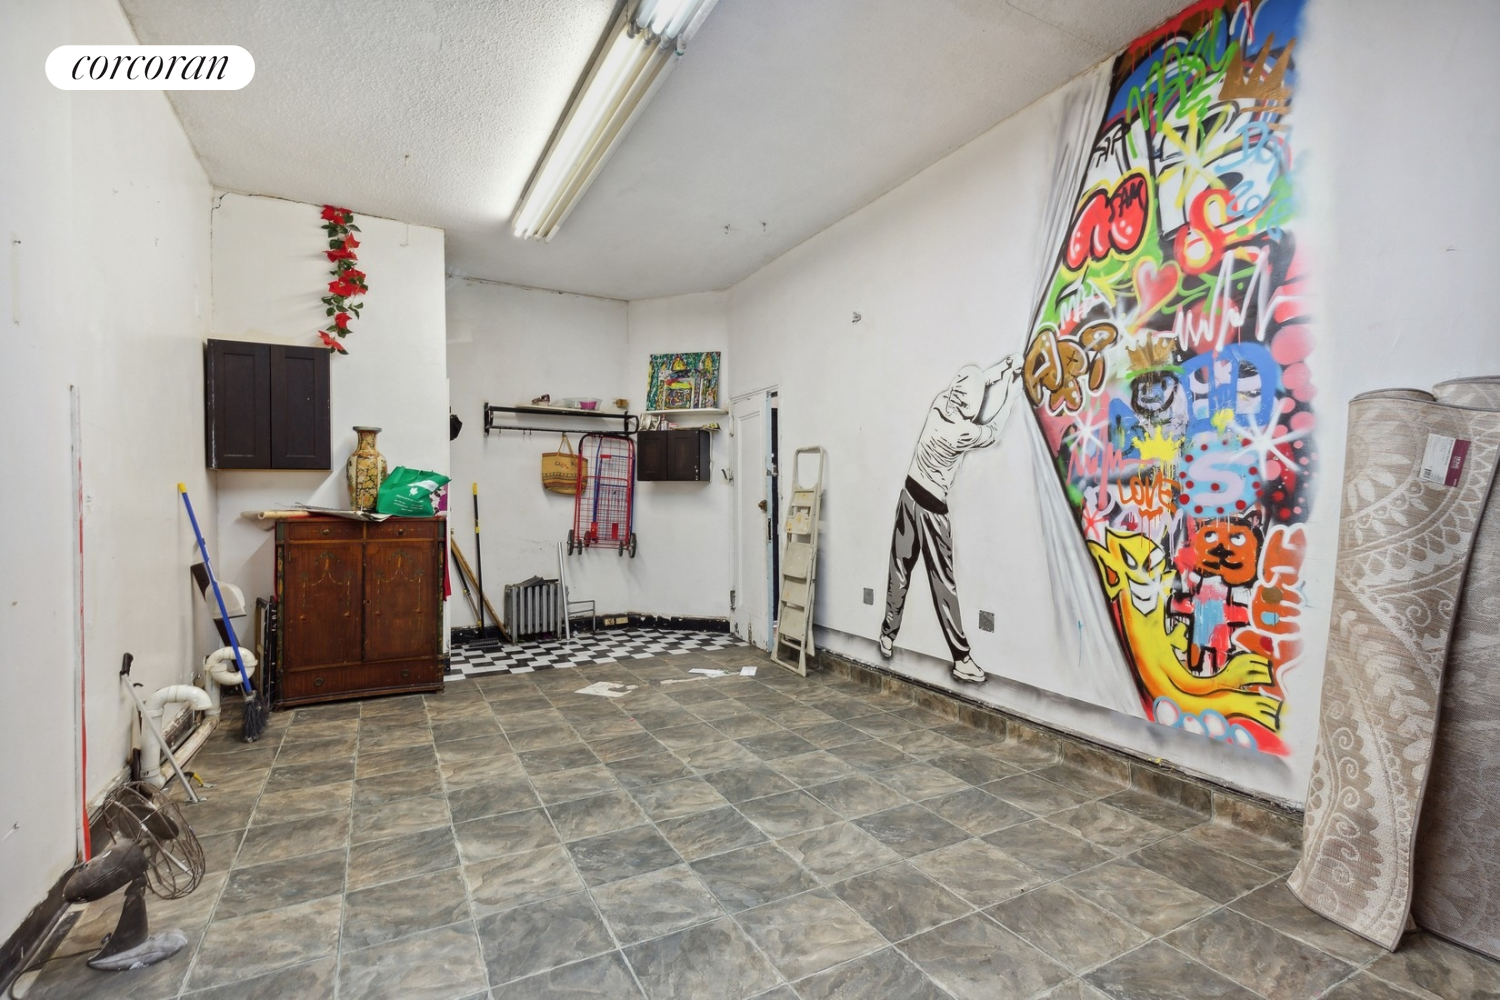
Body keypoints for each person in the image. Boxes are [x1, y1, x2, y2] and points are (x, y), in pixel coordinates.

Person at [880, 355, 1021, 683]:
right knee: (944, 586)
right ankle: (962, 658)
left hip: (907, 495)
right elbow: (995, 430)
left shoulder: (938, 405)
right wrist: (1012, 391)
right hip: (931, 510)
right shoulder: (962, 433)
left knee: (898, 572)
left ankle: (888, 634)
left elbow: (969, 385)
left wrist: (999, 371)